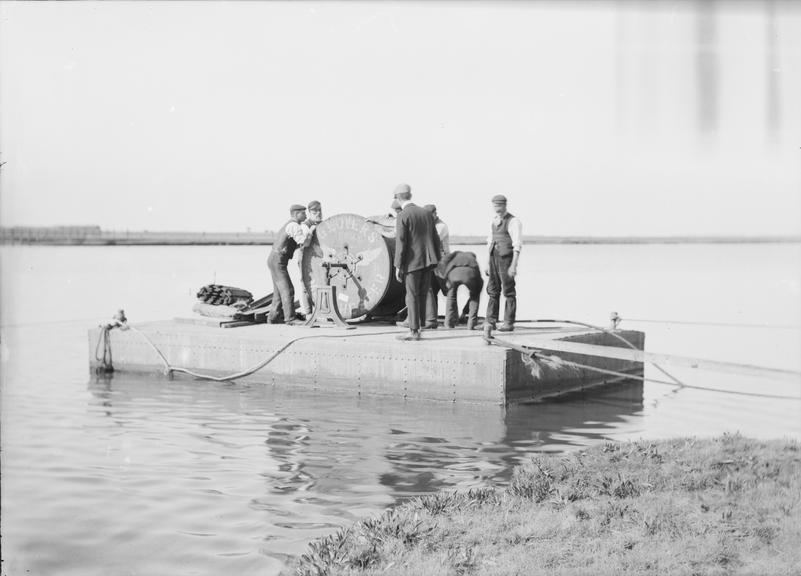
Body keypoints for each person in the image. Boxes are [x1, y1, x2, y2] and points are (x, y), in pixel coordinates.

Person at [393, 183, 442, 341]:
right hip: (428, 262)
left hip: (412, 263)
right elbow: (436, 239)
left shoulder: (403, 215)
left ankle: (414, 331)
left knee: (412, 295)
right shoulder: (426, 213)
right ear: (410, 195)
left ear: (397, 198)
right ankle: (419, 327)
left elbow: (401, 243)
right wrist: (436, 260)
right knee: (422, 294)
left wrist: (398, 266)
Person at [268, 204, 316, 325]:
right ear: (296, 214)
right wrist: (310, 231)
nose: (305, 215)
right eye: (303, 213)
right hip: (278, 261)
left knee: (279, 292)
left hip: (274, 260)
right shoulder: (293, 226)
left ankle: (273, 318)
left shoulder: (290, 225)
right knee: (288, 289)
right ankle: (290, 319)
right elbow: (304, 242)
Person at [484, 194, 522, 332]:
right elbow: (489, 242)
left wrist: (514, 265)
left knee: (508, 291)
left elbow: (517, 245)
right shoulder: (493, 221)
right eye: (495, 205)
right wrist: (487, 263)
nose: (497, 208)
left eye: (499, 205)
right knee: (493, 290)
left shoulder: (513, 221)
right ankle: (490, 321)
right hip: (493, 257)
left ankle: (508, 322)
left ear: (505, 205)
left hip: (506, 259)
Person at [435, 250, 483, 330]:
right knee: (475, 296)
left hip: (454, 275)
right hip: (470, 274)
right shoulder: (472, 259)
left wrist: (446, 282)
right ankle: (471, 324)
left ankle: (448, 323)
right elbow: (478, 277)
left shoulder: (454, 257)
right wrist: (477, 289)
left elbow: (446, 270)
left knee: (451, 296)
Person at [423, 204, 450, 329]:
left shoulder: (441, 226)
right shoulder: (430, 225)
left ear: (435, 214)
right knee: (432, 291)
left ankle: (451, 319)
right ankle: (431, 319)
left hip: (442, 263)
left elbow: (432, 240)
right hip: (432, 263)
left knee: (448, 291)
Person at [297, 200, 323, 318]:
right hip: (306, 258)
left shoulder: (322, 224)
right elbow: (305, 244)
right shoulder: (305, 225)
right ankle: (308, 312)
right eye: (315, 211)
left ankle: (324, 310)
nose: (318, 213)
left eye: (319, 210)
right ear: (309, 212)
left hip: (319, 259)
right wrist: (311, 231)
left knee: (323, 283)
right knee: (306, 284)